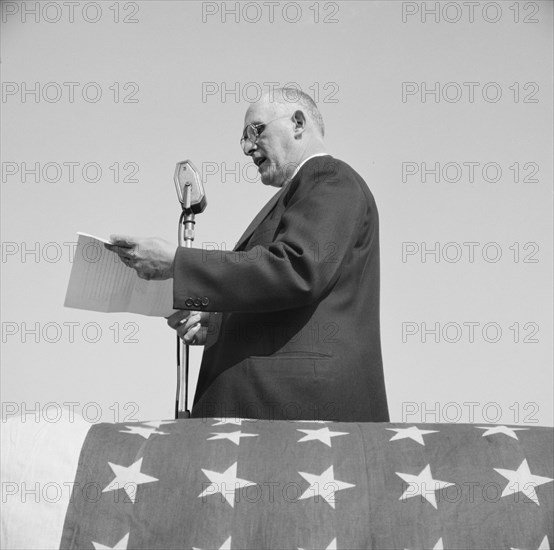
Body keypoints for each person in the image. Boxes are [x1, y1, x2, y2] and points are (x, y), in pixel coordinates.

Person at [106, 88, 389, 422]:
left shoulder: (329, 177)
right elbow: (290, 297)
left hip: (300, 421)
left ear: (298, 124)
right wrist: (220, 325)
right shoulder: (306, 189)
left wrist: (177, 263)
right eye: (242, 139)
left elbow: (298, 269)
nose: (246, 149)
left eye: (255, 131)